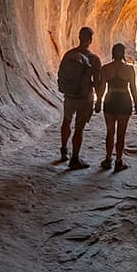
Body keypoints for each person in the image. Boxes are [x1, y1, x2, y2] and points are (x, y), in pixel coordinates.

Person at [56, 26, 103, 170]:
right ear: (90, 40)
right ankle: (74, 159)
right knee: (79, 128)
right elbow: (97, 82)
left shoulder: (69, 55)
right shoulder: (94, 59)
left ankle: (64, 151)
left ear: (79, 37)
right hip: (85, 97)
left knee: (66, 121)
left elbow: (61, 73)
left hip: (69, 96)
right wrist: (99, 100)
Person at [100, 42, 137, 172]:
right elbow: (133, 87)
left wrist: (99, 101)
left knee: (110, 133)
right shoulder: (129, 69)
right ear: (123, 54)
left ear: (112, 53)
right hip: (124, 101)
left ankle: (108, 159)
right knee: (121, 134)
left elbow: (102, 88)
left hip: (110, 100)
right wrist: (136, 103)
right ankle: (118, 161)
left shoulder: (105, 68)